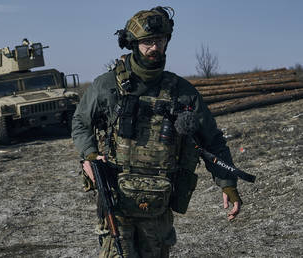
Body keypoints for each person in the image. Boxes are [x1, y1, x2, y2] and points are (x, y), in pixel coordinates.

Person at [71, 6, 242, 257]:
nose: (154, 47)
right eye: (147, 42)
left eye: (160, 40)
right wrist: (89, 155)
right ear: (132, 43)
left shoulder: (182, 92)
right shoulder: (107, 86)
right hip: (116, 198)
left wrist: (228, 185)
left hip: (159, 202)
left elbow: (212, 141)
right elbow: (80, 123)